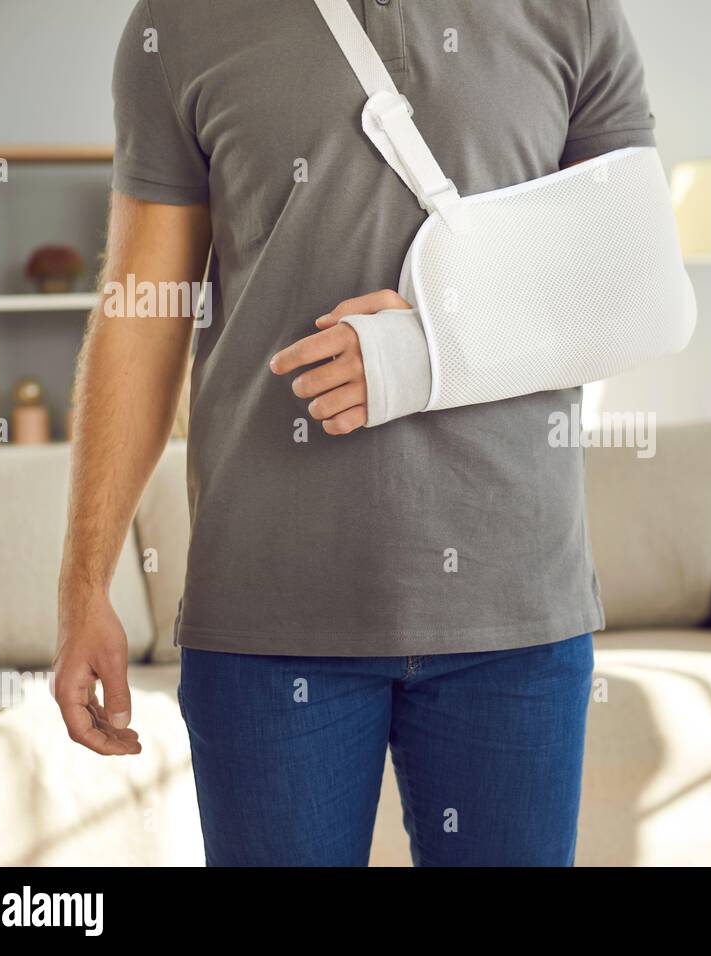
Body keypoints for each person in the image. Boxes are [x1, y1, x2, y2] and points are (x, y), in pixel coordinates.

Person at [53, 0, 657, 867]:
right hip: (266, 615)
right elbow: (140, 316)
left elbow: (632, 284)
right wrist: (82, 590)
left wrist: (429, 338)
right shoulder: (182, 21)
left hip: (514, 610)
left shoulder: (575, 13)